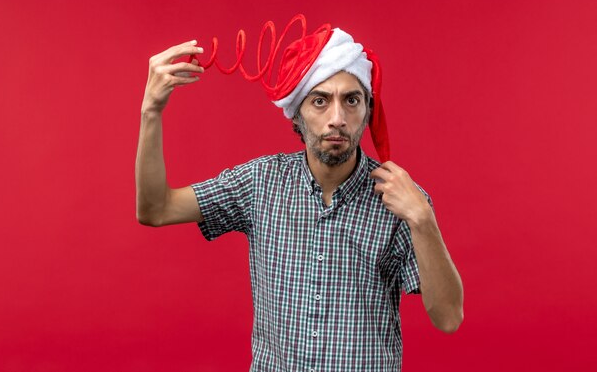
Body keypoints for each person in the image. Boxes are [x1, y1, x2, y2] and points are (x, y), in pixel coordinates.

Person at [136, 22, 463, 372]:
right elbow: (157, 209)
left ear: (367, 109)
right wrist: (151, 112)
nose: (337, 119)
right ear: (297, 113)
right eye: (320, 100)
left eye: (351, 100)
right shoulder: (260, 182)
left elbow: (448, 318)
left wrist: (423, 220)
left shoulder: (401, 201)